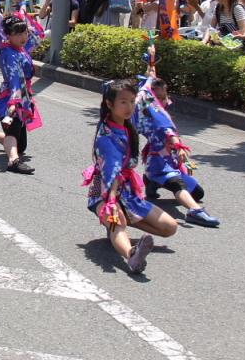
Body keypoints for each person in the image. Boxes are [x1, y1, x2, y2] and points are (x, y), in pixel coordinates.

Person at [83, 79, 178, 275]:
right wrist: (111, 202)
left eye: (132, 101)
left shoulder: (127, 124)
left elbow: (153, 105)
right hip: (105, 191)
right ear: (110, 104)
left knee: (170, 227)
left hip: (127, 191)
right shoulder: (107, 137)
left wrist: (173, 139)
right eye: (123, 102)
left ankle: (119, 232)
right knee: (119, 223)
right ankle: (131, 254)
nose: (130, 107)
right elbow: (112, 174)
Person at [135, 51, 221, 227]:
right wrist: (179, 146)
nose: (164, 98)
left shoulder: (155, 102)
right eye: (159, 96)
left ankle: (152, 182)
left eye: (164, 94)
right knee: (177, 185)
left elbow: (151, 78)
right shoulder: (150, 110)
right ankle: (195, 212)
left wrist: (151, 61)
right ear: (152, 97)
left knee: (197, 192)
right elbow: (168, 131)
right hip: (159, 160)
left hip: (171, 160)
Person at [0, 15, 41, 174]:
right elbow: (14, 79)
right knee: (12, 131)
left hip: (22, 96)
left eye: (24, 33)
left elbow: (38, 36)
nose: (23, 37)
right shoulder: (9, 54)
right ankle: (13, 161)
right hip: (10, 99)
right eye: (17, 34)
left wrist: (26, 16)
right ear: (8, 35)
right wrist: (13, 103)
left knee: (20, 145)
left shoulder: (21, 48)